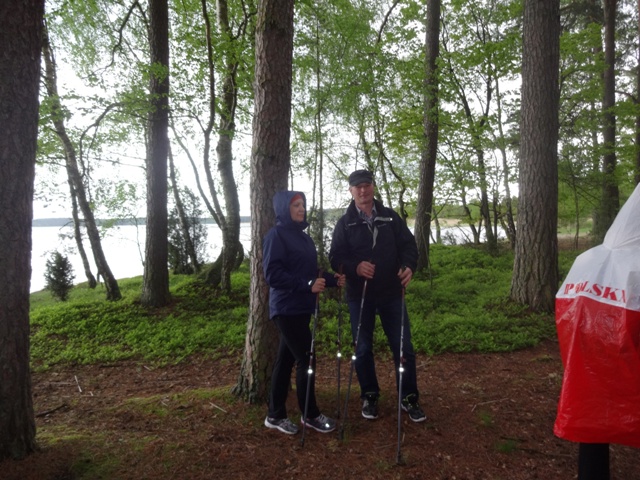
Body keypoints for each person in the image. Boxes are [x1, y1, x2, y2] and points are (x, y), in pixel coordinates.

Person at [329, 169, 426, 423]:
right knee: (362, 348)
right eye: (358, 187)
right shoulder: (345, 223)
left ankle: (409, 397)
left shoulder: (390, 217)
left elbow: (409, 246)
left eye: (367, 185)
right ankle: (369, 395)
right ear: (351, 191)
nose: (363, 190)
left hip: (392, 292)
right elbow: (335, 257)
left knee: (404, 347)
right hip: (359, 295)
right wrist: (355, 268)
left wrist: (409, 266)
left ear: (373, 187)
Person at [263, 190, 345, 435]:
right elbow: (273, 274)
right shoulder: (276, 235)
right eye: (296, 205)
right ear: (284, 209)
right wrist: (307, 285)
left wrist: (332, 279)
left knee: (285, 361)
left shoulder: (304, 238)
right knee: (306, 359)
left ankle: (275, 415)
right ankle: (310, 414)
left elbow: (310, 273)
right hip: (286, 307)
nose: (301, 209)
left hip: (302, 308)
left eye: (303, 205)